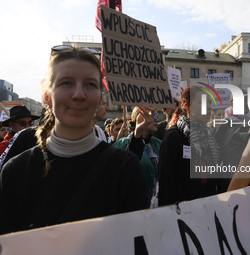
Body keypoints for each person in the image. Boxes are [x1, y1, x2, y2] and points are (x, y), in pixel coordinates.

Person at [0, 46, 149, 235]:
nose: (79, 94)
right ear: (47, 98)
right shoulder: (15, 172)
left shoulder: (125, 168)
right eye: (66, 83)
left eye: (90, 84)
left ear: (99, 98)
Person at [158, 86, 224, 206]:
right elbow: (166, 187)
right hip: (184, 218)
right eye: (202, 102)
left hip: (209, 213)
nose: (209, 107)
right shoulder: (173, 137)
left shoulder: (210, 138)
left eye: (210, 102)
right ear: (187, 106)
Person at [113, 106, 161, 203]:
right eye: (151, 115)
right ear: (139, 118)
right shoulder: (122, 144)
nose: (156, 119)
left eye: (156, 115)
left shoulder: (160, 144)